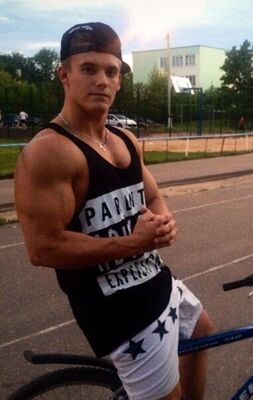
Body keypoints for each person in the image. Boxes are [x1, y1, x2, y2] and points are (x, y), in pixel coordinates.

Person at [14, 22, 212, 400]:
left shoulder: (124, 139)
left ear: (120, 80)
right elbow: (43, 248)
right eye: (89, 69)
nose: (102, 81)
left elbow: (152, 196)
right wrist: (132, 243)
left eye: (111, 71)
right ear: (64, 74)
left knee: (202, 332)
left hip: (157, 280)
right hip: (120, 311)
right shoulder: (50, 151)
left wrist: (163, 222)